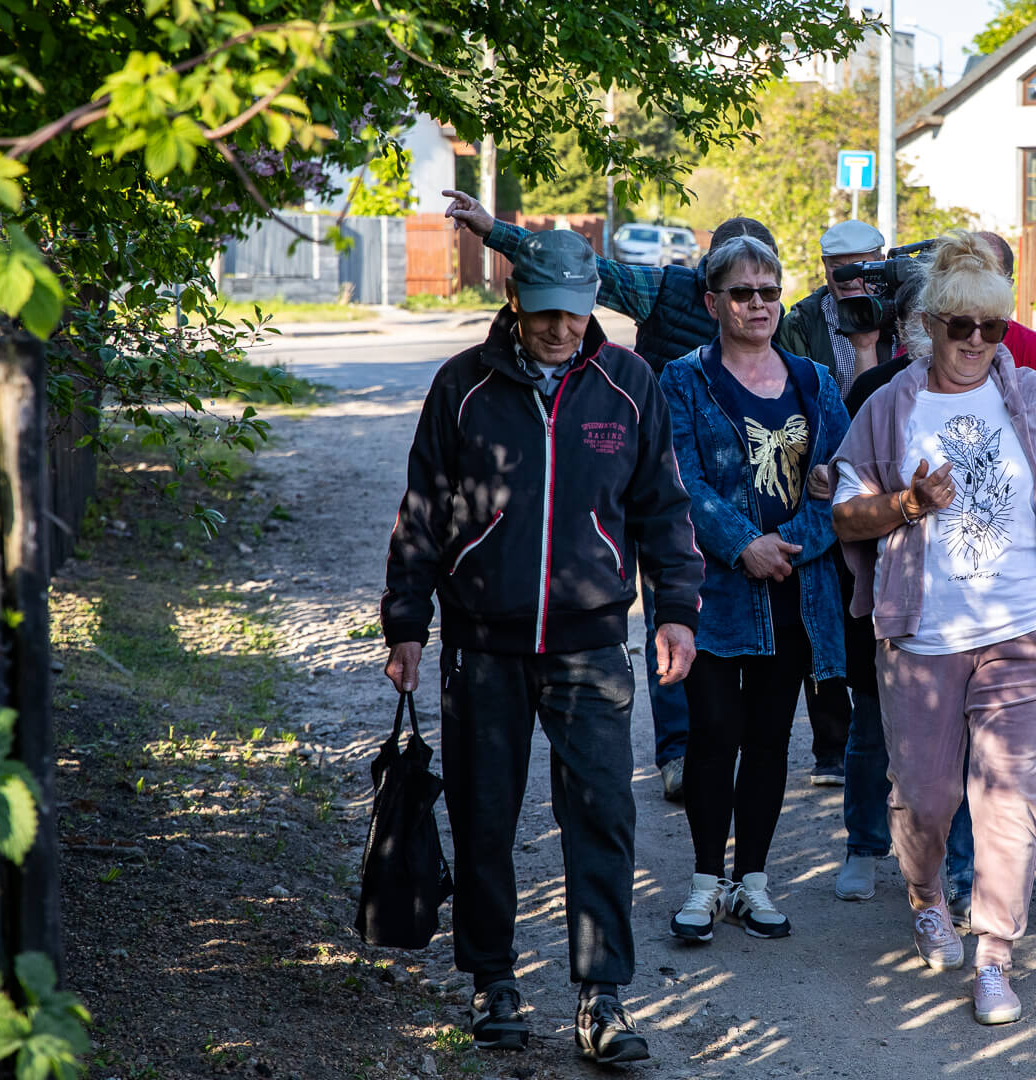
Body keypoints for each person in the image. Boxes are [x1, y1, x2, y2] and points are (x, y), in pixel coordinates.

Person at [380, 227, 701, 1064]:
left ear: (593, 305)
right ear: (515, 299)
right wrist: (406, 625)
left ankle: (602, 997)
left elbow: (664, 508)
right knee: (484, 816)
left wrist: (677, 612)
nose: (562, 329)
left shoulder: (628, 384)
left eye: (576, 313)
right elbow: (421, 510)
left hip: (591, 643)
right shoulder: (463, 387)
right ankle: (493, 980)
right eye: (547, 312)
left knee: (601, 814)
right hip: (482, 644)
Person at [445, 188, 780, 803]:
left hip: (738, 484)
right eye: (733, 282)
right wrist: (493, 231)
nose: (751, 299)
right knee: (668, 614)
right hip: (658, 470)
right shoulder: (661, 292)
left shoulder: (772, 317)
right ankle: (679, 751)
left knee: (727, 620)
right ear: (709, 277)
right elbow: (577, 271)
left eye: (761, 284)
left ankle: (733, 749)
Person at [832, 230, 1036, 1026]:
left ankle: (994, 954)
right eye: (960, 327)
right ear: (930, 328)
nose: (977, 343)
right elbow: (845, 513)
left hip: (1025, 625)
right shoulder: (887, 406)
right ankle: (925, 894)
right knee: (929, 799)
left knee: (1009, 792)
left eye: (992, 327)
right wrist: (908, 505)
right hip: (924, 636)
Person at [658, 236, 851, 943]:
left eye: (769, 292)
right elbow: (681, 481)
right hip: (714, 591)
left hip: (798, 591)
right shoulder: (684, 380)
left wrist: (790, 543)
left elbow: (845, 477)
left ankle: (755, 881)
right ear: (713, 303)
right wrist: (745, 545)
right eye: (742, 294)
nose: (759, 305)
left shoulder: (813, 380)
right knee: (713, 735)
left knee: (771, 739)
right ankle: (707, 883)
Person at [820, 258, 977, 913]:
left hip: (963, 599)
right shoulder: (877, 389)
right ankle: (863, 844)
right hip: (881, 590)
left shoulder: (987, 388)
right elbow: (841, 488)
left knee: (961, 740)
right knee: (871, 729)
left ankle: (963, 873)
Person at [776, 220, 895, 788]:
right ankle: (831, 746)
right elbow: (791, 393)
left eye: (863, 265)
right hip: (818, 471)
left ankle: (888, 735)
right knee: (825, 606)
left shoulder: (902, 309)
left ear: (881, 261)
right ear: (825, 269)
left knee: (880, 608)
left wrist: (871, 342)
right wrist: (820, 461)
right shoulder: (800, 320)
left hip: (890, 474)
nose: (853, 279)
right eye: (841, 268)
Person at [777, 219, 893, 396]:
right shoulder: (800, 325)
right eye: (838, 269)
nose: (848, 279)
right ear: (824, 265)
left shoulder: (903, 314)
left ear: (880, 263)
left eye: (859, 268)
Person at [974, 229, 1036, 371]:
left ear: (1008, 285)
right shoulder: (935, 337)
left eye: (990, 276)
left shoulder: (1035, 350)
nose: (978, 282)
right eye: (970, 271)